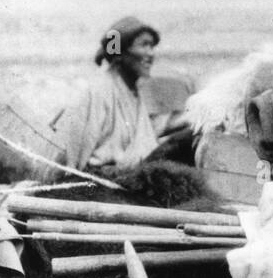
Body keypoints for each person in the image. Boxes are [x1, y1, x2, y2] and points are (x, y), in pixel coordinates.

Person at [63, 15, 192, 170]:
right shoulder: (100, 91)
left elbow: (146, 133)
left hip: (130, 176)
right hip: (104, 181)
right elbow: (78, 154)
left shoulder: (133, 92)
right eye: (144, 45)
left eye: (152, 47)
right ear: (120, 53)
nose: (150, 54)